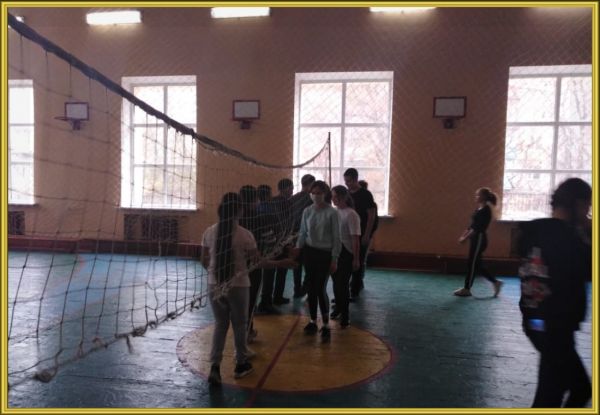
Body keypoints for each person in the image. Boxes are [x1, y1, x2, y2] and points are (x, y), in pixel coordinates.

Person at [517, 178, 591, 407]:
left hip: (535, 321)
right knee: (579, 388)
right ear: (578, 204)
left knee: (552, 390)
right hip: (555, 324)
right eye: (588, 206)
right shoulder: (569, 238)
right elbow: (585, 269)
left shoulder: (535, 231)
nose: (588, 212)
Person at [200, 193, 256, 385]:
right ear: (239, 210)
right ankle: (241, 364)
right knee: (240, 324)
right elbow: (257, 261)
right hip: (239, 285)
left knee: (220, 324)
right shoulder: (245, 234)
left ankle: (215, 367)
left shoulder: (209, 232)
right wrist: (282, 263)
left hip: (214, 284)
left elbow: (203, 260)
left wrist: (216, 275)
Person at [293, 180, 341, 343]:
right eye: (313, 193)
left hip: (325, 254)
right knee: (311, 289)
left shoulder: (332, 213)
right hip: (309, 253)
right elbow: (302, 233)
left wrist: (334, 259)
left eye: (319, 193)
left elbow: (337, 238)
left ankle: (326, 324)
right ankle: (313, 320)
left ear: (325, 194)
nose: (315, 195)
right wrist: (298, 248)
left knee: (320, 288)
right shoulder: (307, 211)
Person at [453, 187, 503, 297]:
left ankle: (467, 289)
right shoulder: (479, 209)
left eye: (478, 195)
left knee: (472, 264)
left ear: (484, 197)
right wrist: (464, 235)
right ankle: (496, 282)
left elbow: (477, 229)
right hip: (475, 239)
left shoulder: (486, 210)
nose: (476, 197)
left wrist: (465, 238)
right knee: (477, 265)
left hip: (479, 239)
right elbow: (472, 225)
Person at [343, 168, 378, 299]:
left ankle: (355, 290)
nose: (347, 184)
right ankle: (344, 291)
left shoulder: (366, 194)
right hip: (348, 233)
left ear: (355, 179)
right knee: (347, 261)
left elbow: (371, 216)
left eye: (349, 181)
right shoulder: (346, 194)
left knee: (358, 260)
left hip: (361, 232)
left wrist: (367, 235)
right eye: (345, 181)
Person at [330, 185, 361, 328]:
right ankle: (338, 307)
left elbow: (355, 238)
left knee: (342, 285)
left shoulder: (351, 214)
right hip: (335, 251)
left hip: (346, 252)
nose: (332, 199)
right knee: (336, 283)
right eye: (332, 196)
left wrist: (356, 258)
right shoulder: (334, 212)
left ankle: (345, 314)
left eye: (335, 196)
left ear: (342, 197)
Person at [289, 174, 315, 298]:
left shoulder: (293, 198)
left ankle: (297, 289)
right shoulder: (311, 200)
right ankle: (305, 288)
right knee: (309, 264)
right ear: (310, 185)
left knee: (297, 264)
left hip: (293, 235)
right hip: (307, 235)